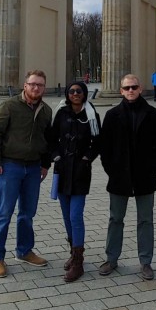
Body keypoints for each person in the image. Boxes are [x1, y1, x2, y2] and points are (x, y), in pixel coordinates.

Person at [98, 75, 156, 280]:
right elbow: (105, 147)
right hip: (119, 176)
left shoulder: (153, 114)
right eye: (127, 87)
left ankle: (145, 261)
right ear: (121, 90)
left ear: (140, 89)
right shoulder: (112, 115)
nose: (130, 90)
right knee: (115, 219)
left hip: (144, 177)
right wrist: (111, 170)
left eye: (134, 87)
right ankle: (112, 258)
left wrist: (152, 170)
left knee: (146, 220)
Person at [0, 69, 52, 277]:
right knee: (4, 213)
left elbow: (47, 140)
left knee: (27, 213)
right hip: (10, 166)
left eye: (40, 85)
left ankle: (24, 251)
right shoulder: (9, 106)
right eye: (32, 84)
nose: (36, 88)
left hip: (33, 168)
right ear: (25, 86)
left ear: (44, 88)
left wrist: (45, 165)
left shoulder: (46, 110)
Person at [49, 80, 101, 282]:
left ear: (85, 93)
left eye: (79, 91)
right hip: (62, 169)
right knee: (66, 215)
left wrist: (87, 158)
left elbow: (97, 142)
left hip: (80, 171)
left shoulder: (91, 115)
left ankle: (78, 263)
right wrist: (56, 157)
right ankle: (73, 252)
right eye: (72, 91)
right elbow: (51, 138)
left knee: (75, 215)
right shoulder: (61, 113)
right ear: (67, 94)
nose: (75, 94)